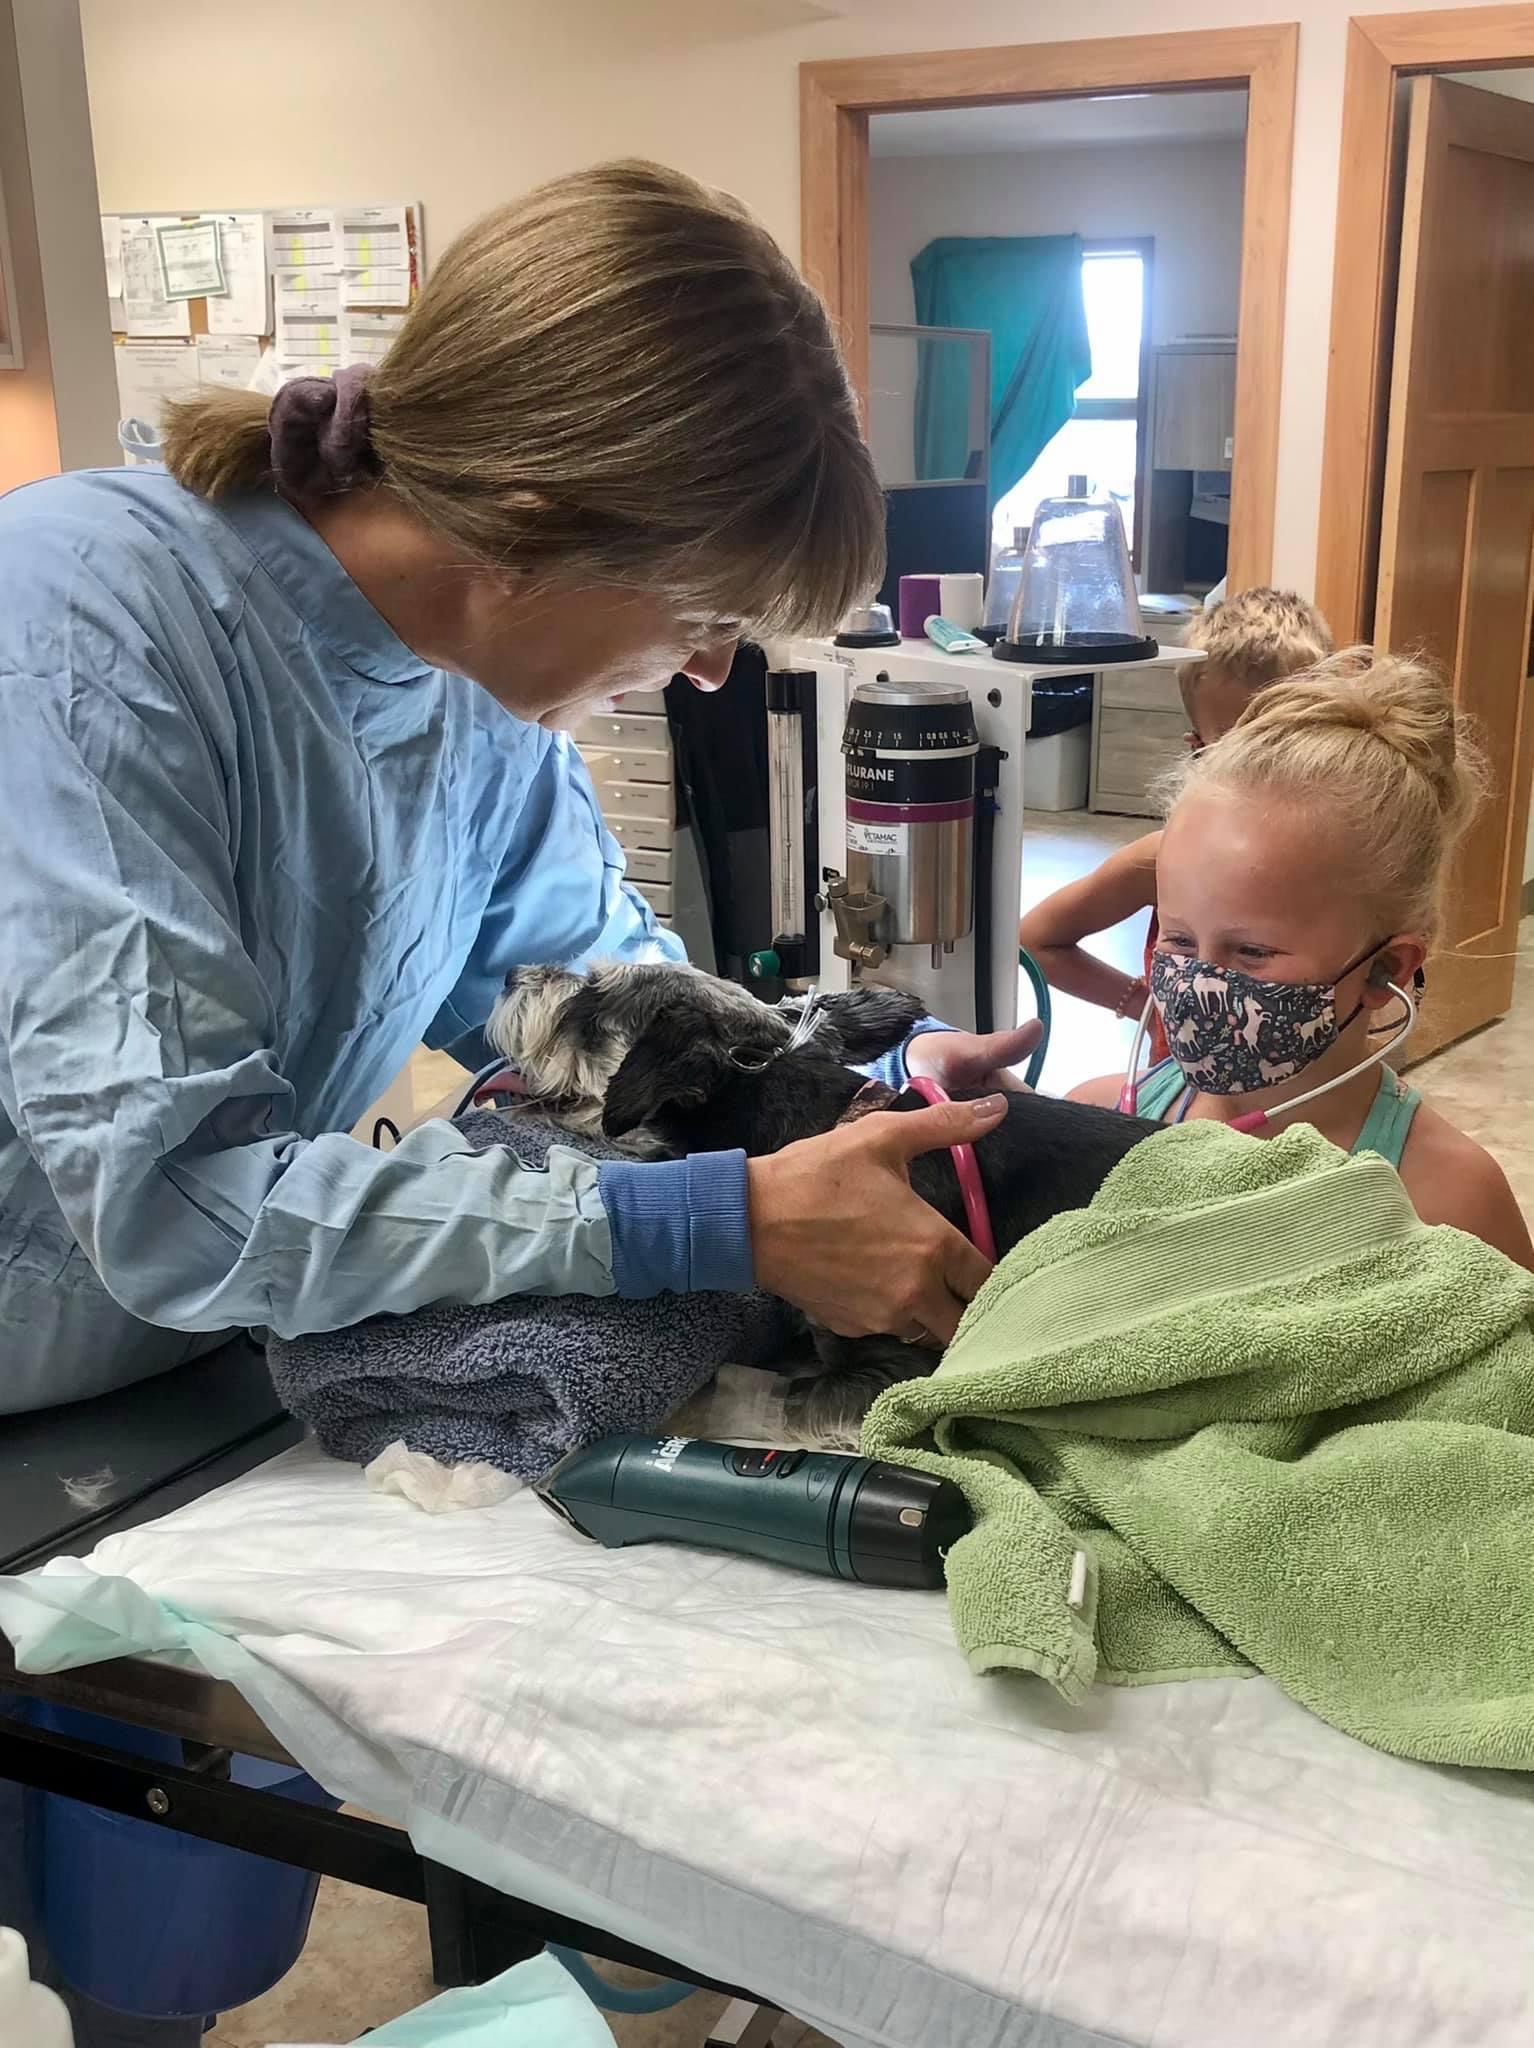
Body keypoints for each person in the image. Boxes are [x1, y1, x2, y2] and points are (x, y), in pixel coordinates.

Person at [0, 160, 1036, 1428]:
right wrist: (706, 1220)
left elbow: (592, 1008)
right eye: (705, 615)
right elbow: (176, 1203)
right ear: (531, 527)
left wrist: (828, 1084)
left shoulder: (475, 700)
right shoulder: (80, 629)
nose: (708, 670)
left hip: (210, 1357)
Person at [1069, 649, 1534, 1268]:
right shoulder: (1100, 1122)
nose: (1193, 981)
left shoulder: (1446, 1202)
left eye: (1252, 951)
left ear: (1385, 969)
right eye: (1178, 941)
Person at [1019, 588, 1333, 1061]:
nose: (1266, 768)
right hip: (1181, 1100)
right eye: (1237, 749)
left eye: (1284, 742)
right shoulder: (1162, 858)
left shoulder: (1344, 863)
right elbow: (1036, 940)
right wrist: (1142, 1006)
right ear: (1198, 749)